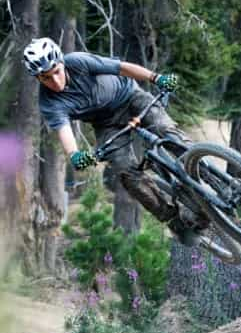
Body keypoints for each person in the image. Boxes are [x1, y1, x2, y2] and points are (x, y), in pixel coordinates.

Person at [23, 37, 201, 242]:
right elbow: (65, 131)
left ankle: (203, 170)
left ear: (62, 63)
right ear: (37, 79)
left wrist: (156, 78)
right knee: (127, 174)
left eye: (56, 72)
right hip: (106, 124)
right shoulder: (49, 103)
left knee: (165, 130)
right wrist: (75, 155)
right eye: (46, 78)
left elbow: (122, 68)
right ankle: (175, 221)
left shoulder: (78, 61)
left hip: (131, 97)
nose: (55, 81)